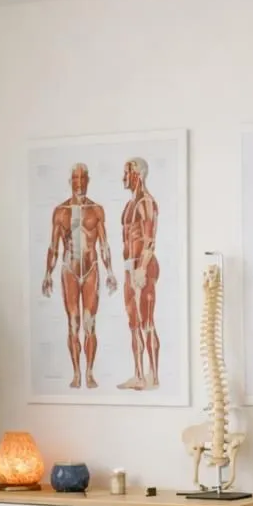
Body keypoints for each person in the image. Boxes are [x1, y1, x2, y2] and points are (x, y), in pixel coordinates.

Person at [42, 163, 116, 389]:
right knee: (73, 324)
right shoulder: (61, 211)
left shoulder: (96, 210)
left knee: (89, 324)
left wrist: (110, 271)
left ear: (88, 181)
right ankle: (76, 373)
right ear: (70, 182)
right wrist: (48, 273)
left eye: (83, 180)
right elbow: (54, 246)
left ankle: (90, 372)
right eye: (76, 180)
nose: (80, 184)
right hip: (70, 271)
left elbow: (104, 244)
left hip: (91, 268)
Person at [117, 156, 160, 390]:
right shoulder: (130, 204)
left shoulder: (146, 202)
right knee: (133, 322)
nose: (124, 178)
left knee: (147, 321)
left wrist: (142, 269)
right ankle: (138, 374)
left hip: (142, 266)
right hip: (129, 267)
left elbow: (150, 240)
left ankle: (152, 375)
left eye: (128, 173)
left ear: (139, 175)